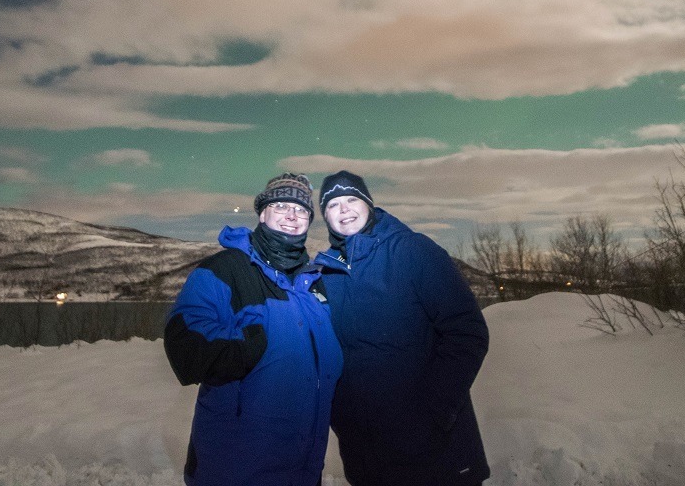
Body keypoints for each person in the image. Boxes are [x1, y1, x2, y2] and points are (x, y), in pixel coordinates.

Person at [163, 173, 343, 486]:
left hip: (303, 471)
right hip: (234, 470)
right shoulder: (224, 269)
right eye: (281, 205)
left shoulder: (315, 284)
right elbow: (184, 344)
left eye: (301, 210)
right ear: (262, 213)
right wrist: (250, 343)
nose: (291, 215)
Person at [315, 170, 491, 486]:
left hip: (435, 453)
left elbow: (466, 332)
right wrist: (342, 416)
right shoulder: (326, 274)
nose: (344, 210)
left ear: (369, 204)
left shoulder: (412, 251)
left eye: (352, 199)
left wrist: (434, 411)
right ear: (324, 216)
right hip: (367, 456)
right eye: (333, 204)